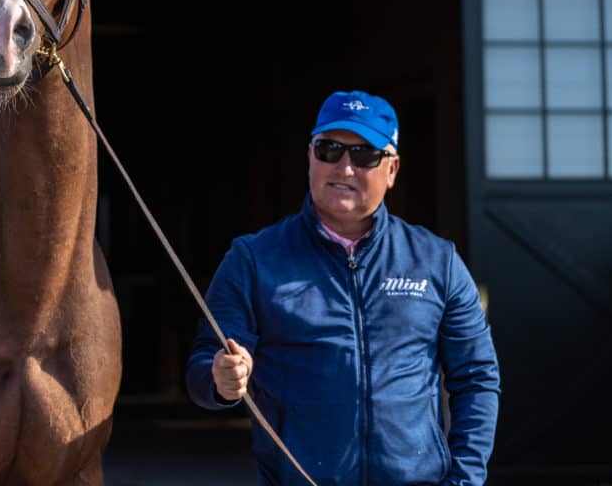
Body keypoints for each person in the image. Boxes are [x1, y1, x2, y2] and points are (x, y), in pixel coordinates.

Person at [185, 90, 500, 485]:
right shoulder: (252, 259)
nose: (345, 168)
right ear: (310, 156)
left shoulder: (437, 260)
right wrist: (220, 380)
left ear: (392, 168)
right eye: (330, 150)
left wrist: (465, 479)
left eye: (365, 154)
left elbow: (477, 376)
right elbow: (202, 367)